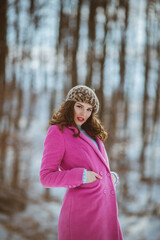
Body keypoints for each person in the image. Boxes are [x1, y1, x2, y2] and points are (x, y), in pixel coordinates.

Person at [39, 85, 123, 240]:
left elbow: (96, 165)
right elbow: (46, 177)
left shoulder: (91, 132)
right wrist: (82, 176)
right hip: (82, 215)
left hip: (105, 212)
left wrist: (110, 177)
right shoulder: (58, 131)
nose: (84, 113)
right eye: (79, 106)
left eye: (89, 109)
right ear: (70, 105)